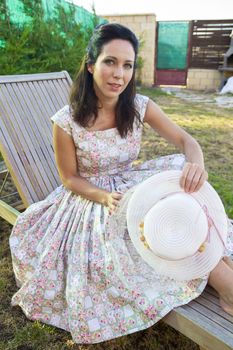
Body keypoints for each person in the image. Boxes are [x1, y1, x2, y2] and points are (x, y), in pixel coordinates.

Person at [9, 23, 233, 344]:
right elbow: (69, 178)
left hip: (132, 183)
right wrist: (103, 196)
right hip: (93, 197)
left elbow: (186, 141)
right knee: (148, 226)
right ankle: (225, 280)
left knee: (177, 189)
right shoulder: (67, 120)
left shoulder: (139, 106)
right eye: (110, 62)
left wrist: (196, 163)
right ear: (90, 65)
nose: (119, 74)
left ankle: (218, 270)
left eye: (127, 65)